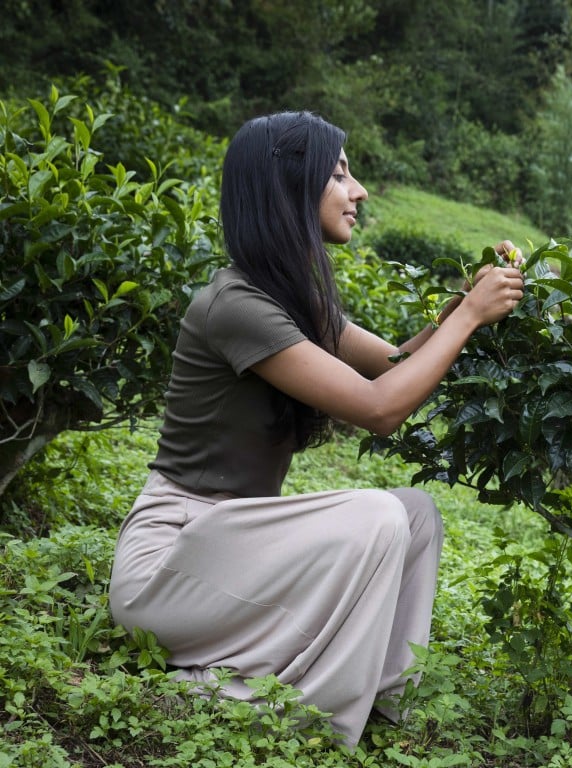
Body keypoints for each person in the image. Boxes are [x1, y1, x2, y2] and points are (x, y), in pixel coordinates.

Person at [108, 110, 525, 748]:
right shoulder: (236, 306)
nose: (358, 191)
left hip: (233, 548)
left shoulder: (289, 301)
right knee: (378, 514)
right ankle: (302, 708)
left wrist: (459, 305)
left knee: (414, 513)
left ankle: (386, 694)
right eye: (339, 175)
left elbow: (394, 364)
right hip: (169, 569)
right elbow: (381, 407)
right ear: (289, 189)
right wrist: (467, 319)